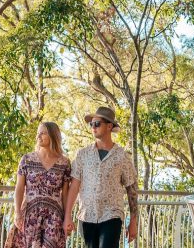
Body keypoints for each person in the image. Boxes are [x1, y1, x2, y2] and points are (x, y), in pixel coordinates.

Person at [63, 106, 139, 248]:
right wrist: (67, 216)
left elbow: (132, 189)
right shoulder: (82, 154)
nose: (93, 127)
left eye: (97, 124)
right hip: (87, 216)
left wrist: (133, 221)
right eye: (91, 124)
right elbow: (74, 187)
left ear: (109, 126)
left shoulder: (122, 156)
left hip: (111, 215)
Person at [10, 121, 71, 248]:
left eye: (43, 133)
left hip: (54, 217)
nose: (38, 136)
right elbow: (19, 188)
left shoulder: (64, 163)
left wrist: (67, 218)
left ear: (53, 136)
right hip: (30, 215)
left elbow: (65, 194)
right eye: (38, 133)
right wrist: (17, 213)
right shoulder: (27, 159)